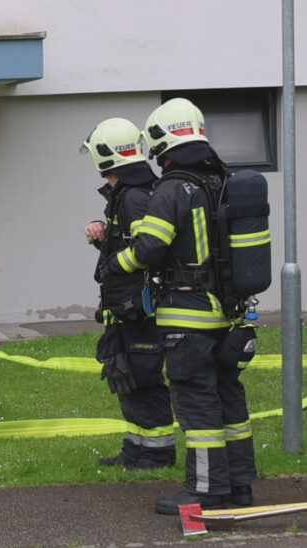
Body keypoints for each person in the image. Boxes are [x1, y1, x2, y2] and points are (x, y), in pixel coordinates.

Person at [106, 98, 257, 514]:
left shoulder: (173, 187)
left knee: (197, 404)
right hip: (228, 313)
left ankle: (204, 490)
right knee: (230, 399)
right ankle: (240, 485)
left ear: (162, 140)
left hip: (187, 315)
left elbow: (151, 247)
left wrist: (118, 262)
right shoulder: (222, 180)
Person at [79, 118, 176, 471]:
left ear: (105, 156)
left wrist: (114, 263)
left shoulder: (134, 197)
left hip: (138, 309)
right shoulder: (129, 194)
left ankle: (157, 452)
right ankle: (136, 447)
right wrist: (105, 237)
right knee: (128, 378)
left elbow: (149, 252)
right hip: (126, 307)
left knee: (144, 379)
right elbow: (131, 247)